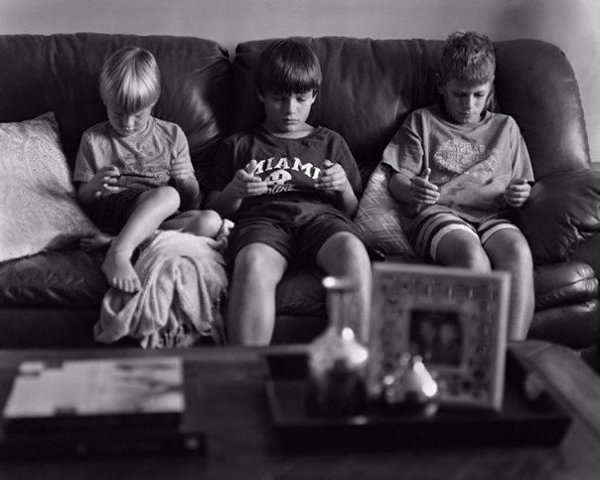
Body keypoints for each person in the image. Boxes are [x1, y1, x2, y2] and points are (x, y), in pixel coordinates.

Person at [207, 38, 372, 346]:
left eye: (300, 98)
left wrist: (343, 187)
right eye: (279, 99)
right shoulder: (239, 145)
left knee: (352, 250)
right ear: (261, 94)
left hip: (321, 220)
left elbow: (352, 211)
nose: (290, 110)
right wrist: (235, 191)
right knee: (252, 261)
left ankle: (351, 366)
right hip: (262, 222)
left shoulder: (331, 142)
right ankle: (246, 369)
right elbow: (214, 211)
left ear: (314, 95)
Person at [384, 31, 535, 341]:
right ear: (441, 85)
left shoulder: (506, 127)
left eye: (478, 95)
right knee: (471, 255)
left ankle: (512, 353)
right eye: (459, 94)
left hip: (493, 215)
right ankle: (480, 355)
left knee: (518, 252)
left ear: (491, 86)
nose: (469, 105)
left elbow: (524, 184)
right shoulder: (421, 122)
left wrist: (521, 193)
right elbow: (396, 180)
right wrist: (413, 189)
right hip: (439, 213)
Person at [74, 46, 223, 293]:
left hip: (159, 213)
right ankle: (119, 254)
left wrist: (185, 180)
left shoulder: (172, 135)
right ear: (105, 100)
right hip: (116, 206)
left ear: (153, 103)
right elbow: (83, 198)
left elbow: (192, 200)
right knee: (169, 195)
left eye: (138, 115)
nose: (128, 124)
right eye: (118, 114)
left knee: (210, 221)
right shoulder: (93, 139)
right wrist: (93, 187)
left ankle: (116, 241)